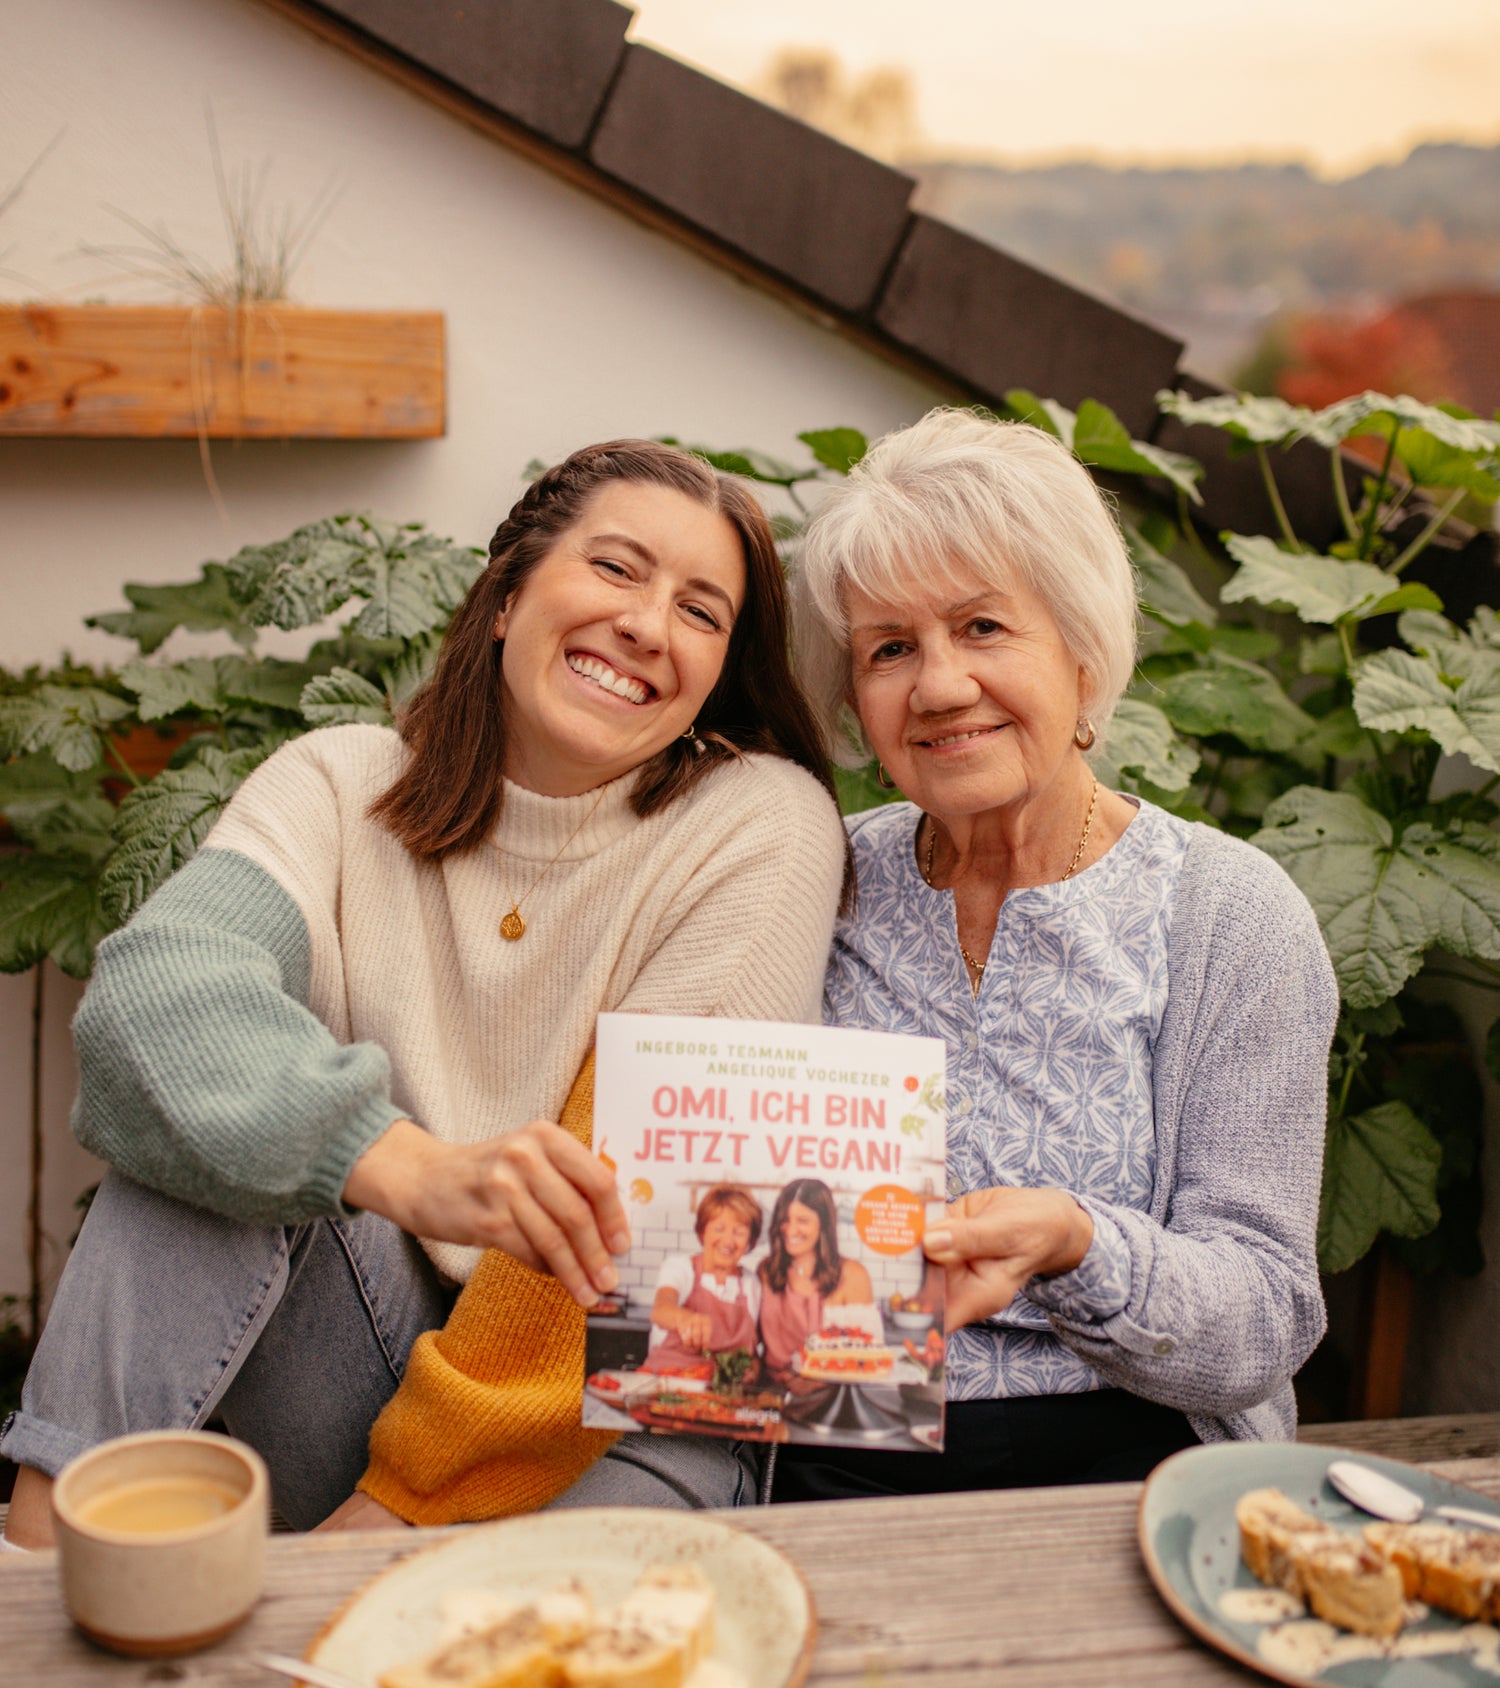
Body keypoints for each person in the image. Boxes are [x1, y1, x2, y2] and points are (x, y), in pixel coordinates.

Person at [0, 440, 849, 1548]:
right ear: (506, 595)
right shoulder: (340, 782)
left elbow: (633, 1238)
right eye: (616, 568)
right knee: (205, 1128)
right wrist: (414, 1168)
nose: (648, 623)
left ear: (719, 670)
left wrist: (399, 1506)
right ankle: (32, 1572)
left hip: (614, 1412)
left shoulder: (757, 822)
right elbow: (152, 1004)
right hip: (364, 1369)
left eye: (701, 610)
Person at [774, 407, 1335, 1502]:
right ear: (857, 701)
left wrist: (1082, 1246)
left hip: (1138, 1450)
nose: (937, 685)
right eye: (891, 648)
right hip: (835, 1430)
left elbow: (1266, 1313)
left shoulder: (1231, 913)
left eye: (982, 627)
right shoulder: (814, 878)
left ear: (1082, 652)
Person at [757, 1178, 879, 1374]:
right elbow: (752, 1341)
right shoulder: (766, 1271)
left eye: (802, 1221)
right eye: (785, 1220)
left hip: (830, 1393)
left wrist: (812, 1384)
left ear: (823, 1224)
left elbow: (867, 1359)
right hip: (771, 1391)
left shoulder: (852, 1275)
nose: (790, 1229)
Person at [640, 1185, 763, 1374]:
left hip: (722, 1396)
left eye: (739, 1232)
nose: (728, 1241)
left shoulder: (751, 1284)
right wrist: (685, 1319)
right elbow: (660, 1310)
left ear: (749, 1240)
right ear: (703, 1231)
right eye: (719, 1229)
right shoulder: (681, 1268)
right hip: (667, 1384)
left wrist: (752, 1370)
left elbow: (752, 1353)